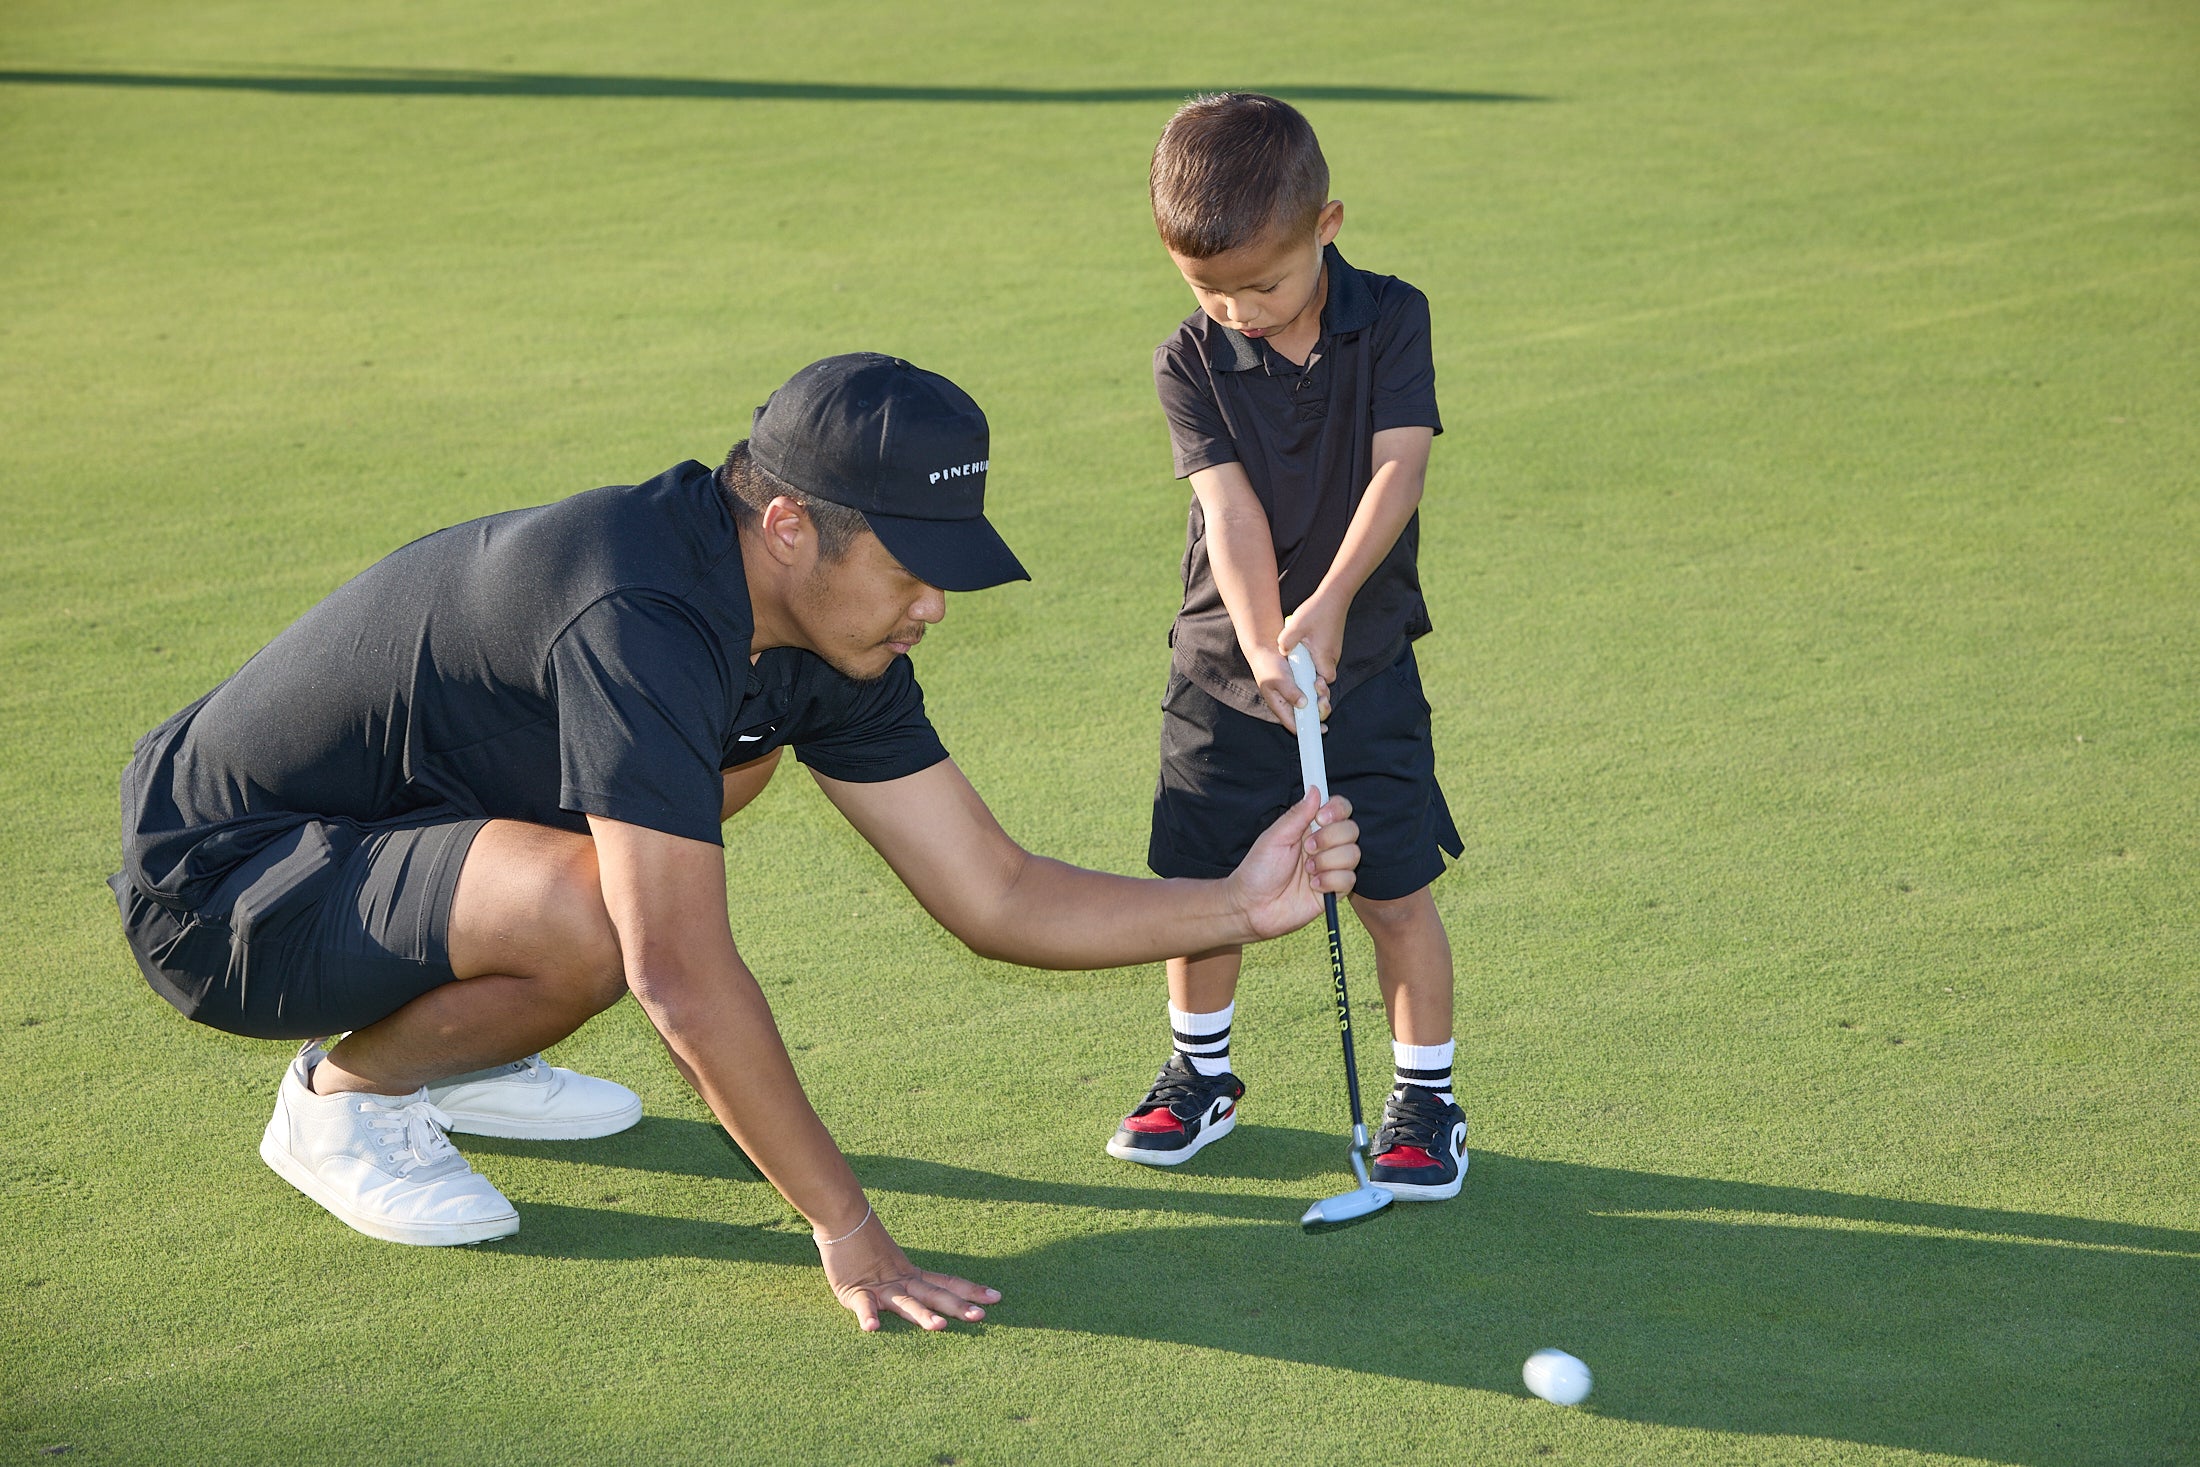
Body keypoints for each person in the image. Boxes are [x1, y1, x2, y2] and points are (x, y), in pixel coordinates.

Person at [111, 352, 1360, 1333]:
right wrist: (848, 1226)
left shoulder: (829, 638)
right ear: (785, 528)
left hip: (394, 840)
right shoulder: (636, 604)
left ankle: (465, 1045)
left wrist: (1237, 906)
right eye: (911, 567)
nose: (934, 603)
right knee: (609, 914)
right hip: (225, 884)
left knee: (725, 773)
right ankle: (347, 1098)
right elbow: (678, 975)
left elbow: (995, 891)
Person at [1106, 95, 1468, 1202]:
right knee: (1203, 884)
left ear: (1327, 225)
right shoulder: (1190, 358)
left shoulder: (1391, 317)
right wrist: (1268, 643)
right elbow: (1232, 514)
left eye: (1260, 284)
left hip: (1363, 671)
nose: (1236, 309)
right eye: (1208, 288)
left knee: (1392, 888)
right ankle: (1200, 1074)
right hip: (1224, 673)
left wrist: (1329, 609)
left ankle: (1425, 1102)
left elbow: (1395, 471)